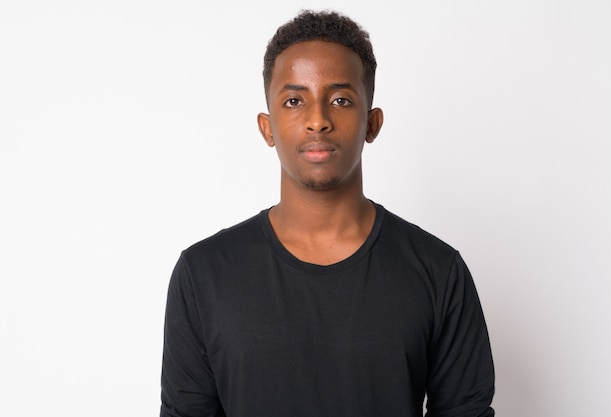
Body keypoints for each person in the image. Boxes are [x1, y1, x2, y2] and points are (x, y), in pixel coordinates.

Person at [160, 9, 495, 417]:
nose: (318, 120)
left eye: (340, 99)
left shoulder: (438, 272)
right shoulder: (203, 274)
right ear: (267, 127)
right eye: (294, 100)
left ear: (372, 123)